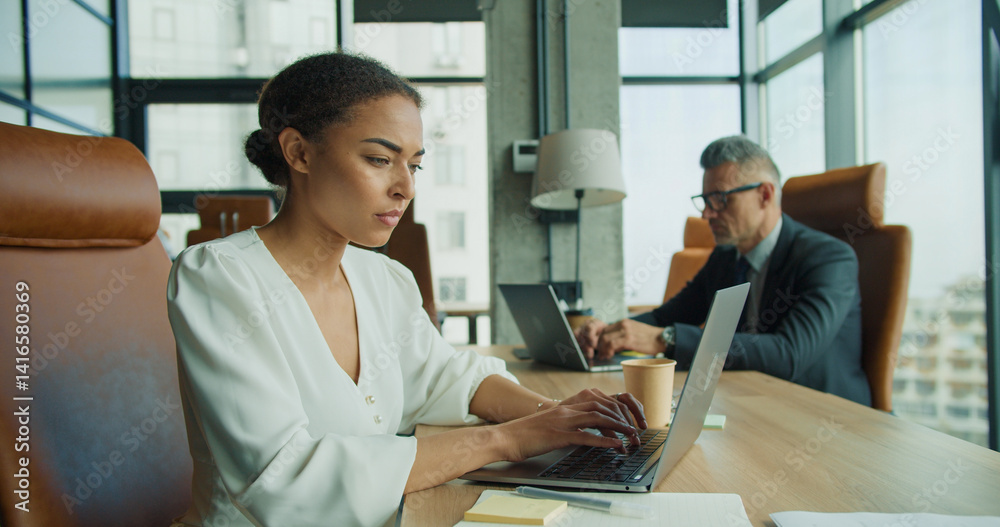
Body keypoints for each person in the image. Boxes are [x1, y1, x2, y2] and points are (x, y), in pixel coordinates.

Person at [166, 52, 646, 527]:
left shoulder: (383, 279)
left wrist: (561, 416)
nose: (405, 188)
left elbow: (448, 379)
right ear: (299, 153)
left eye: (414, 165)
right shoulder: (219, 278)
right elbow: (285, 481)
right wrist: (510, 439)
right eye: (379, 159)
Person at [576, 135, 871, 406]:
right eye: (705, 201)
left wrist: (665, 339)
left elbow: (788, 354)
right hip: (750, 402)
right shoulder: (726, 257)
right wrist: (610, 331)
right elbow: (667, 317)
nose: (707, 214)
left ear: (765, 195)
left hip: (825, 414)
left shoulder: (829, 259)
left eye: (720, 199)